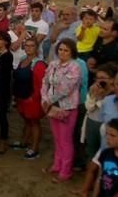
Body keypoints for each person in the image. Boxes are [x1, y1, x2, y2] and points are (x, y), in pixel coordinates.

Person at [41, 38, 82, 182]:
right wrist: (44, 99)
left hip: (67, 108)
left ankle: (66, 170)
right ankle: (57, 165)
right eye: (60, 49)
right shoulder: (53, 64)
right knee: (57, 138)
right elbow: (45, 82)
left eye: (66, 50)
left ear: (72, 52)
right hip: (52, 106)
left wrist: (48, 101)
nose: (62, 52)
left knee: (65, 140)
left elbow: (66, 88)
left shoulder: (75, 67)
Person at [78, 64, 118, 196]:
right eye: (97, 77)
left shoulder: (115, 94)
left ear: (112, 79)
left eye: (103, 78)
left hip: (106, 129)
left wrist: (101, 97)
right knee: (91, 153)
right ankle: (88, 187)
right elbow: (89, 107)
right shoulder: (93, 88)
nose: (99, 81)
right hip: (91, 122)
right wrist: (95, 96)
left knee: (102, 161)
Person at [11, 37, 47, 159]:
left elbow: (41, 84)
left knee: (34, 122)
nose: (29, 48)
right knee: (27, 121)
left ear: (37, 48)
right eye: (26, 45)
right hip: (22, 96)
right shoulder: (23, 60)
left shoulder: (39, 64)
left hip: (32, 99)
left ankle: (35, 148)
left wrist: (33, 98)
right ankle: (24, 142)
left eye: (32, 46)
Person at [89, 118, 118, 197]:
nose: (107, 138)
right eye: (106, 134)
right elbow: (100, 178)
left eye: (112, 135)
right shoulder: (105, 153)